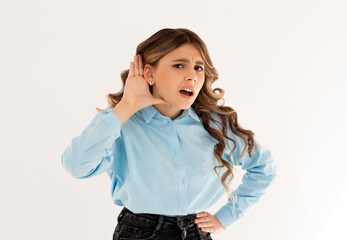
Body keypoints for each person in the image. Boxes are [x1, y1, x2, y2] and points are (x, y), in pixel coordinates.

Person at [61, 28, 277, 240]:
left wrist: (226, 217)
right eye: (179, 65)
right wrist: (127, 106)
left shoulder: (214, 124)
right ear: (149, 73)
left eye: (199, 68)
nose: (192, 76)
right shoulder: (120, 121)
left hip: (196, 231)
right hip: (139, 232)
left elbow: (263, 167)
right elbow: (76, 165)